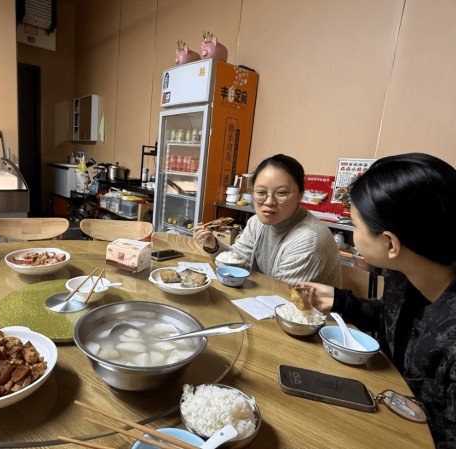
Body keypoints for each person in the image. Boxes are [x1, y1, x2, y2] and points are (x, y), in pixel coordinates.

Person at [300, 153, 456, 448]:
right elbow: (393, 319)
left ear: (390, 243)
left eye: (355, 225)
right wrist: (342, 302)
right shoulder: (405, 273)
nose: (354, 235)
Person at [193, 154, 341, 287]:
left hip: (296, 306)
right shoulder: (256, 222)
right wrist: (214, 246)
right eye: (261, 192)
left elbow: (283, 295)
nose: (269, 202)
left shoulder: (309, 239)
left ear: (300, 195)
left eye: (281, 193)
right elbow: (238, 259)